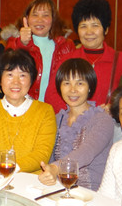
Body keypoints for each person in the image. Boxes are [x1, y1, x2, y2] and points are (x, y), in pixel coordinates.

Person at [0, 49, 57, 174]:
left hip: (30, 181)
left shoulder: (45, 111)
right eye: (10, 75)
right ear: (0, 80)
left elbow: (41, 154)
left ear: (31, 80)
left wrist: (6, 167)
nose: (16, 82)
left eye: (22, 75)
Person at [38, 59, 115, 190]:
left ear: (90, 87)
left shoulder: (103, 120)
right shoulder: (57, 119)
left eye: (80, 83)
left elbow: (86, 152)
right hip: (58, 188)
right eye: (66, 83)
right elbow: (49, 156)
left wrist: (56, 168)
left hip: (90, 191)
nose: (72, 90)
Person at [60, 0, 122, 110]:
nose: (89, 32)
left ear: (106, 29)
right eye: (83, 26)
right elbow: (52, 95)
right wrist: (76, 112)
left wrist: (114, 109)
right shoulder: (66, 60)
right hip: (74, 120)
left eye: (95, 25)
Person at [7, 0, 75, 112]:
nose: (40, 20)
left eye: (45, 15)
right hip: (25, 110)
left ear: (53, 19)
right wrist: (22, 43)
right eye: (35, 15)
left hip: (57, 111)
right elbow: (7, 69)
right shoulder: (16, 43)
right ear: (26, 19)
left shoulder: (66, 46)